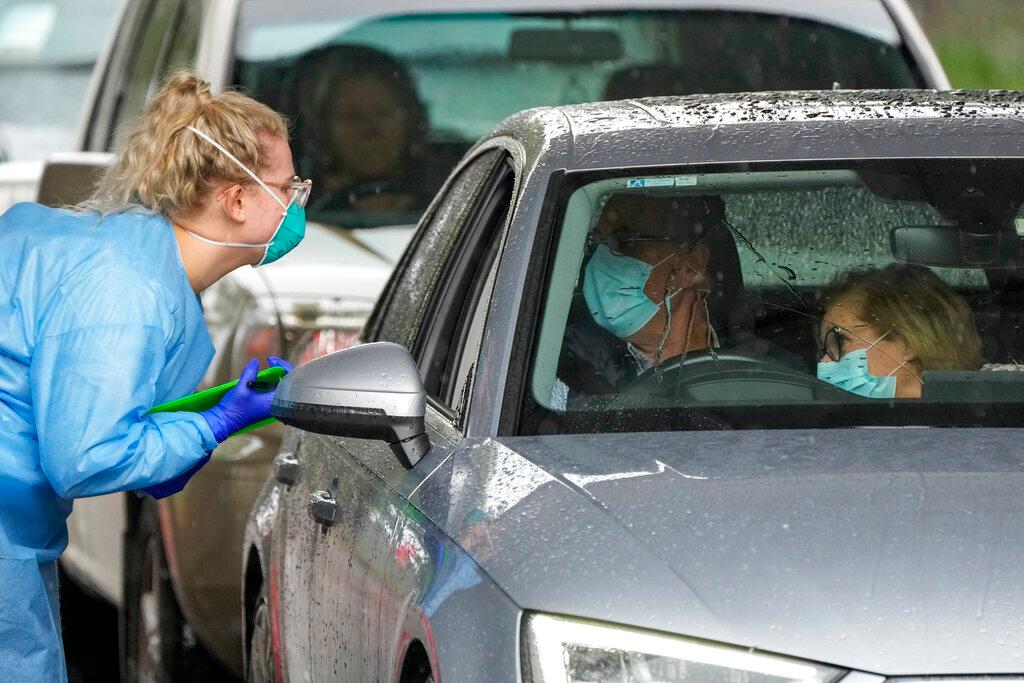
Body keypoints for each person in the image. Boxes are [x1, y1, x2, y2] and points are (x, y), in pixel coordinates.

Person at [0, 72, 308, 680]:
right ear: (236, 199)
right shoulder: (128, 291)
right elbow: (87, 456)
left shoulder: (144, 264)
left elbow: (127, 433)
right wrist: (216, 422)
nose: (298, 202)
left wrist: (209, 417)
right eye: (289, 187)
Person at [555, 193, 744, 404]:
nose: (601, 259)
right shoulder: (557, 369)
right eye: (595, 242)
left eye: (624, 242)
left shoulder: (758, 370)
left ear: (692, 265)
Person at [296, 45, 447, 216]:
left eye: (384, 113)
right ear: (324, 131)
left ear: (411, 119)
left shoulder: (454, 189)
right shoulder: (292, 207)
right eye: (352, 117)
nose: (371, 130)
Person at [817, 263, 983, 399]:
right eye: (825, 349)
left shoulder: (998, 412)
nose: (824, 362)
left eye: (839, 340)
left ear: (909, 341)